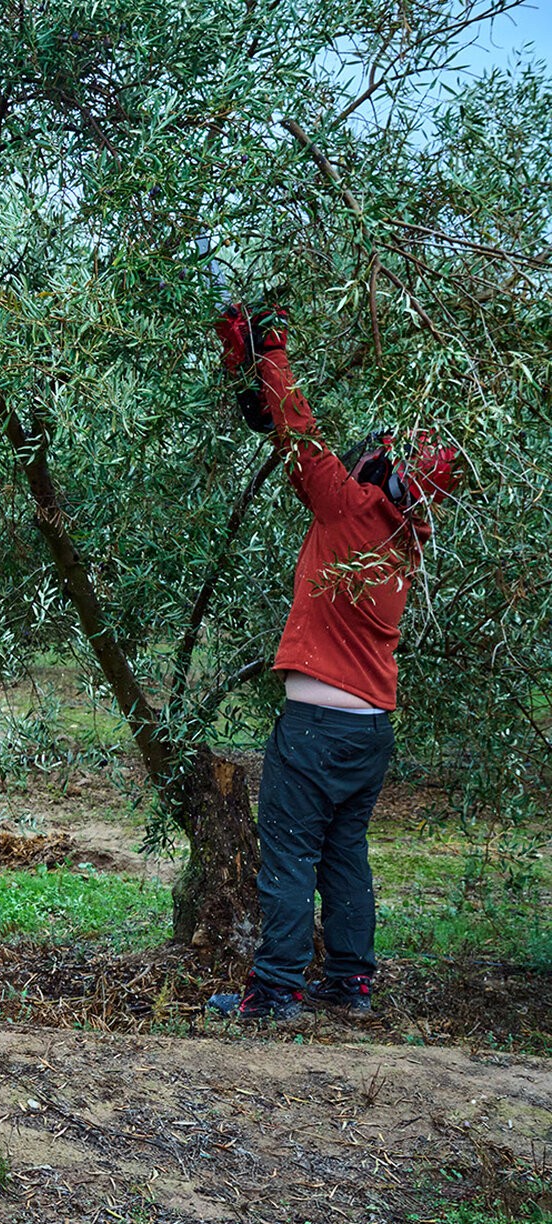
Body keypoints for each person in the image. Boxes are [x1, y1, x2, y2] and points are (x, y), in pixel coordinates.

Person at [207, 306, 458, 1023]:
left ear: (379, 471)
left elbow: (301, 435)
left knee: (288, 854)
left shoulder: (349, 509)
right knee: (345, 853)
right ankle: (350, 983)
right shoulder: (402, 540)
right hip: (369, 729)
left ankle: (275, 993)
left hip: (317, 726)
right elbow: (300, 456)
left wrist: (269, 352)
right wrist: (258, 379)